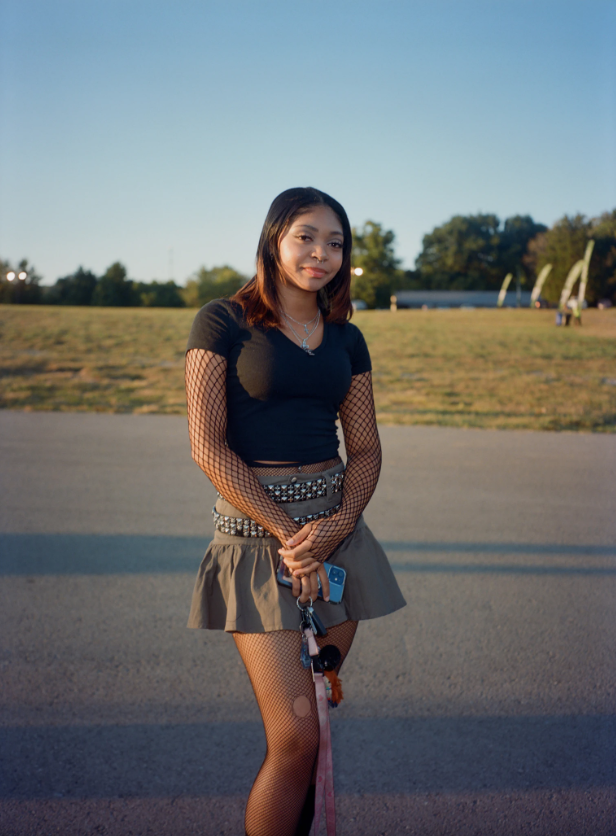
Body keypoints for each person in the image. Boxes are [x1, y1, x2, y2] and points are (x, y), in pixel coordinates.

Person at [184, 186, 406, 836]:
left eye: (336, 242)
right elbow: (207, 443)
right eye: (307, 236)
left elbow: (364, 448)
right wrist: (291, 536)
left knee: (315, 728)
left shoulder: (347, 337)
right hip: (258, 542)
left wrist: (333, 528)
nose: (322, 253)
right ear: (274, 239)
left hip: (336, 535)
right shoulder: (223, 321)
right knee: (294, 740)